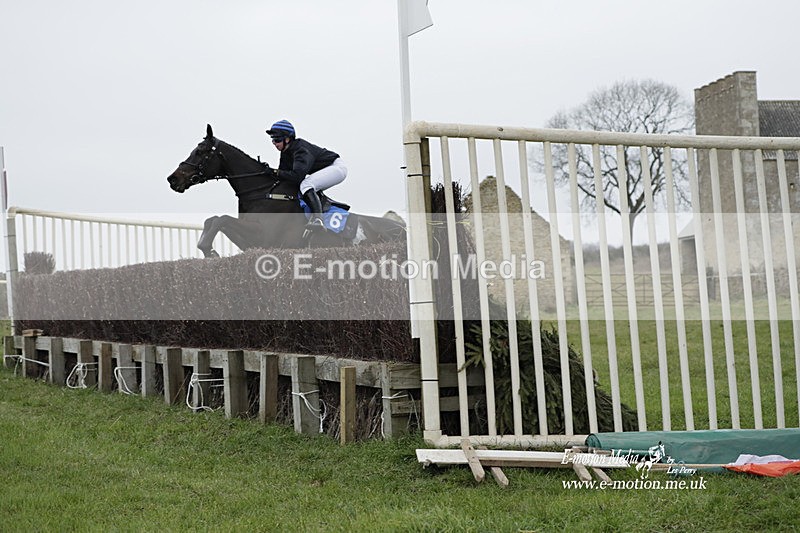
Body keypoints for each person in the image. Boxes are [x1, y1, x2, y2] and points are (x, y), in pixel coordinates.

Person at [265, 119, 347, 228]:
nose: (275, 143)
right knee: (303, 187)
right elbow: (283, 177)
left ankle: (318, 219)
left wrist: (274, 171)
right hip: (326, 169)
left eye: (277, 139)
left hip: (336, 167)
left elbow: (297, 177)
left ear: (288, 139)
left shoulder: (301, 149)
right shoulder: (285, 152)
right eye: (273, 140)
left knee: (306, 184)